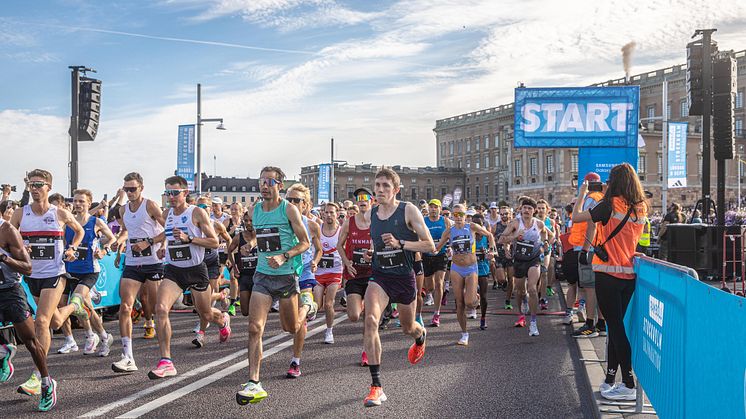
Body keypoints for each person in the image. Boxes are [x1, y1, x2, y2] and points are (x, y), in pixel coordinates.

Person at [236, 167, 316, 405]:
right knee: (254, 327)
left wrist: (284, 256)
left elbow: (304, 243)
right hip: (262, 274)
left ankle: (307, 307)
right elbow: (255, 234)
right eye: (261, 181)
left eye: (270, 181)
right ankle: (254, 383)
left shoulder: (289, 209)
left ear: (279, 185)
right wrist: (250, 243)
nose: (264, 185)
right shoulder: (254, 210)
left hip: (286, 275)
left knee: (290, 328)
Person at [573, 163, 648, 401]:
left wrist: (582, 193)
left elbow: (576, 217)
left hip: (607, 274)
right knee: (616, 328)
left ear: (614, 181)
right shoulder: (641, 207)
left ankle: (627, 383)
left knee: (615, 329)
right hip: (629, 275)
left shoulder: (609, 204)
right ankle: (611, 377)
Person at [362, 167, 435, 407]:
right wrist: (371, 253)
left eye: (385, 186)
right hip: (380, 276)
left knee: (407, 327)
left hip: (404, 277)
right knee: (371, 320)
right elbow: (379, 246)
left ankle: (420, 336)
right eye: (378, 185)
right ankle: (376, 386)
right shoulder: (371, 214)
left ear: (396, 190)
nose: (380, 189)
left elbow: (429, 245)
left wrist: (400, 242)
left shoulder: (408, 210)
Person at [10, 169, 86, 397]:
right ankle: (75, 306)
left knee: (41, 322)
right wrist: (21, 248)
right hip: (32, 275)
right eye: (30, 185)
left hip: (55, 274)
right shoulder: (21, 214)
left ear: (48, 187)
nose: (34, 189)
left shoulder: (59, 213)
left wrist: (72, 248)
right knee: (53, 320)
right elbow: (9, 238)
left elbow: (79, 231)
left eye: (39, 184)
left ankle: (38, 376)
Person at [146, 176, 230, 379]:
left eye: (175, 193)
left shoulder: (197, 213)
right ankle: (166, 361)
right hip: (174, 270)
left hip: (196, 269)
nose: (171, 197)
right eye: (168, 193)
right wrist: (161, 247)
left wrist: (189, 238)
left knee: (206, 314)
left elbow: (213, 241)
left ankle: (222, 319)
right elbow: (168, 234)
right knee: (160, 308)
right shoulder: (166, 213)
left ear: (185, 193)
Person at [0, 213, 58, 411]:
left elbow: (28, 268)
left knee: (30, 342)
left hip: (10, 292)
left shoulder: (7, 231)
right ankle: (4, 350)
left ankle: (46, 382)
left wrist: (3, 257)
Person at [112, 172, 166, 373]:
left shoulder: (150, 205)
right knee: (125, 306)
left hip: (153, 262)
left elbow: (166, 228)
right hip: (133, 263)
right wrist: (118, 242)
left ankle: (165, 357)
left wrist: (151, 242)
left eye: (133, 189)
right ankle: (127, 357)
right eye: (126, 189)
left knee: (157, 307)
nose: (129, 193)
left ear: (141, 188)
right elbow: (125, 231)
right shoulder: (123, 209)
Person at [59, 189, 116, 357]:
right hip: (70, 270)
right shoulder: (67, 222)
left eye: (81, 201)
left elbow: (111, 238)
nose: (78, 204)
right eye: (76, 201)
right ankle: (102, 337)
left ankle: (93, 336)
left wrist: (104, 250)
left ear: (89, 204)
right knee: (86, 306)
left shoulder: (96, 221)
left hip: (90, 271)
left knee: (77, 301)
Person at [434, 204, 494, 345]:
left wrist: (491, 250)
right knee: (459, 303)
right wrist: (428, 248)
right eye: (455, 215)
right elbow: (438, 247)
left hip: (471, 267)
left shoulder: (472, 227)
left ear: (465, 215)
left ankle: (475, 297)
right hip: (456, 268)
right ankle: (464, 333)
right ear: (452, 217)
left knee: (469, 302)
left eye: (460, 214)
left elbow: (490, 235)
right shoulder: (449, 231)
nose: (458, 217)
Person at [499, 197, 554, 336]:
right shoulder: (515, 223)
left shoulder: (539, 223)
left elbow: (551, 234)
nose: (527, 211)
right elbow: (501, 239)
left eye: (530, 208)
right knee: (520, 291)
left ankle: (533, 323)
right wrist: (515, 236)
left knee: (532, 289)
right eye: (525, 208)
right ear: (521, 210)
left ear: (534, 211)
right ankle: (522, 306)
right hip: (518, 260)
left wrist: (545, 244)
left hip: (533, 260)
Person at [284, 183, 322, 378]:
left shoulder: (313, 225)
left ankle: (295, 361)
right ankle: (309, 307)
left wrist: (315, 261)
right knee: (288, 324)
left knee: (300, 320)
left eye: (296, 200)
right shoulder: (280, 221)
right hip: (284, 274)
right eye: (288, 200)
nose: (291, 203)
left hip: (305, 273)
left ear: (305, 205)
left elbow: (319, 248)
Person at [337, 187, 373, 366]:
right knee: (353, 315)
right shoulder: (349, 222)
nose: (362, 200)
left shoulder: (377, 221)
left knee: (370, 318)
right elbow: (339, 245)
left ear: (371, 200)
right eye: (359, 198)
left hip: (373, 275)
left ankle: (366, 350)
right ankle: (364, 303)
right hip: (354, 273)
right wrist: (346, 262)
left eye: (365, 197)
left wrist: (374, 252)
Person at [568, 173, 606, 338]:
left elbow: (590, 224)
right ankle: (602, 324)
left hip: (590, 248)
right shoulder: (603, 197)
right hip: (601, 247)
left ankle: (590, 325)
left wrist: (584, 250)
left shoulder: (590, 198)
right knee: (599, 288)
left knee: (590, 288)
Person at [313, 202, 344, 344]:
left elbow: (346, 250)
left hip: (335, 271)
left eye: (332, 212)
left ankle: (329, 331)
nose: (329, 215)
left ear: (337, 214)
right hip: (319, 272)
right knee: (316, 305)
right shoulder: (318, 229)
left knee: (329, 304)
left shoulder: (341, 231)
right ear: (323, 213)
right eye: (327, 212)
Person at [422, 199, 451, 327]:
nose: (433, 209)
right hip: (427, 255)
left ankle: (436, 314)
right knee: (430, 287)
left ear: (440, 209)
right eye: (431, 207)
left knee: (439, 284)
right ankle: (430, 295)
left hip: (441, 255)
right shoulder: (424, 220)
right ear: (428, 208)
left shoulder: (445, 221)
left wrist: (450, 247)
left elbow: (452, 236)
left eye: (436, 207)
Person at [226, 210, 257, 317]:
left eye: (251, 220)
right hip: (244, 276)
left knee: (256, 309)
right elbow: (229, 251)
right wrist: (234, 267)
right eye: (246, 221)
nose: (248, 223)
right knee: (245, 311)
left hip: (258, 276)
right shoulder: (239, 237)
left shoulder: (260, 235)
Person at [468, 215, 492, 330]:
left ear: (482, 225)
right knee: (470, 293)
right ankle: (473, 308)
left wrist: (489, 252)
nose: (477, 226)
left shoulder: (487, 236)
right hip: (470, 268)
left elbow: (493, 252)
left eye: (479, 224)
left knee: (484, 295)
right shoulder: (468, 235)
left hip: (483, 268)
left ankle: (483, 318)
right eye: (474, 223)